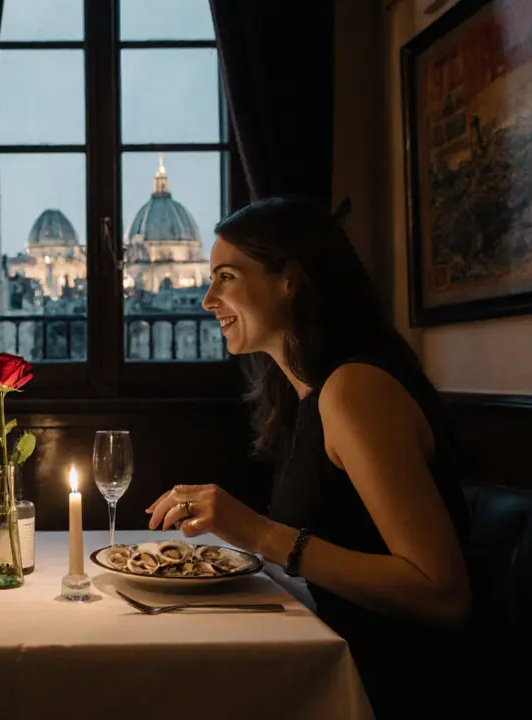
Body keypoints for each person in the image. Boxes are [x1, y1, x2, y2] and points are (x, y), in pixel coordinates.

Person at [145, 197, 471, 719]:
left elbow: (444, 595)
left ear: (289, 279)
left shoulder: (353, 390)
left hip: (389, 685)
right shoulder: (304, 395)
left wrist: (256, 534)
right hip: (332, 654)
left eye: (226, 277)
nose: (207, 299)